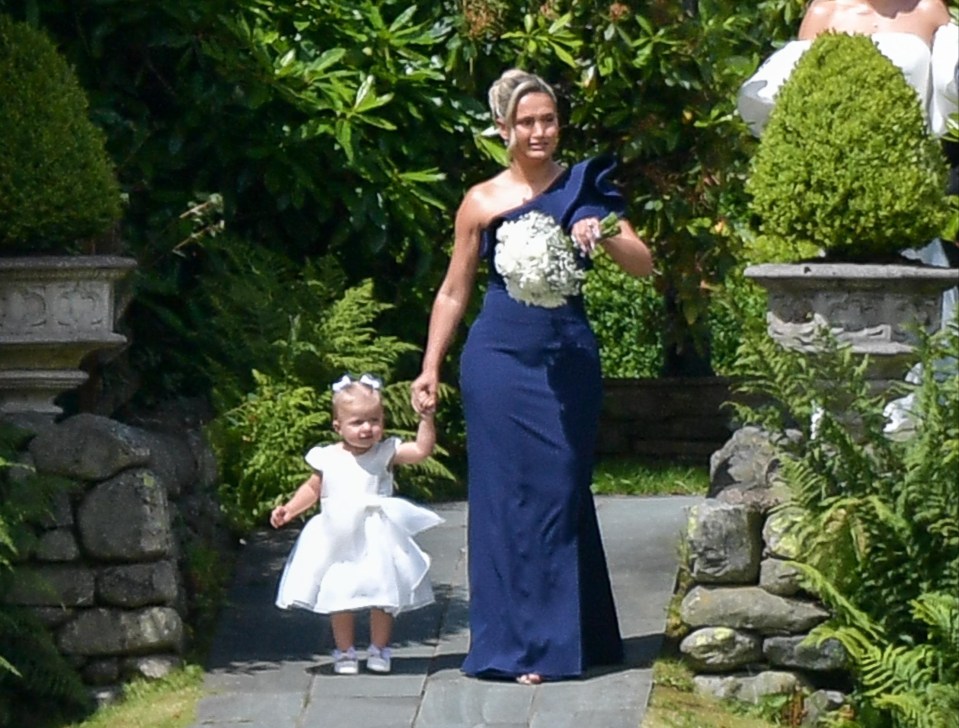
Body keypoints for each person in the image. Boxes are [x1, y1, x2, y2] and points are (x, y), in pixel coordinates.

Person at [410, 69, 653, 685]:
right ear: (504, 129)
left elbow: (643, 264)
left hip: (566, 357)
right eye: (526, 122)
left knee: (560, 490)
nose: (539, 131)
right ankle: (516, 648)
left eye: (547, 119)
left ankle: (575, 635)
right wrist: (430, 365)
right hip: (496, 359)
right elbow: (453, 290)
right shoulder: (480, 201)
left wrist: (601, 234)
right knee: (503, 499)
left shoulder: (583, 186)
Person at [271, 373, 443, 675]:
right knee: (340, 591)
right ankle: (345, 651)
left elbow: (420, 451)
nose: (367, 429)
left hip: (376, 532)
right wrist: (289, 510)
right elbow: (313, 489)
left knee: (383, 592)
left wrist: (426, 420)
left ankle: (379, 647)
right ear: (338, 426)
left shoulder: (384, 452)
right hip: (337, 535)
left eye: (374, 420)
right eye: (358, 422)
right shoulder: (328, 457)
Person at [738, 0, 957, 137]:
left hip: (916, 156)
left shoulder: (929, 9)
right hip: (841, 153)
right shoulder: (824, 12)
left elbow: (950, 78)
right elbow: (801, 89)